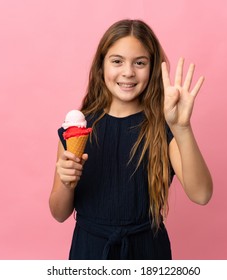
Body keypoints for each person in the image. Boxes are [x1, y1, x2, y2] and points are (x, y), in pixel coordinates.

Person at [49, 19, 213, 260]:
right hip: (90, 251)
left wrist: (182, 127)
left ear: (153, 67)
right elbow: (59, 213)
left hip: (148, 252)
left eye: (140, 63)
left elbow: (201, 195)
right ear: (101, 66)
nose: (128, 72)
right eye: (117, 61)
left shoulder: (164, 127)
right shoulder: (77, 128)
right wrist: (66, 182)